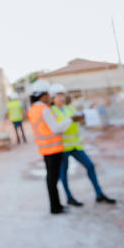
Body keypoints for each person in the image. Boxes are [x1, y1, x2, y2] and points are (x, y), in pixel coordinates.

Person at [49, 84, 116, 206]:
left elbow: (79, 121)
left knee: (90, 166)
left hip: (76, 146)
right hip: (62, 147)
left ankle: (99, 194)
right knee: (64, 173)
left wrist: (84, 116)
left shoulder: (69, 108)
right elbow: (57, 128)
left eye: (62, 95)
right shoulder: (51, 112)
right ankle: (69, 197)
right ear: (52, 98)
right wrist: (71, 119)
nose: (61, 98)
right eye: (58, 96)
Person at [27, 80, 82, 214]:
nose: (50, 97)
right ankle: (56, 207)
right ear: (44, 95)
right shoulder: (44, 109)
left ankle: (55, 206)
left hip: (45, 148)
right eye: (48, 95)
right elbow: (55, 128)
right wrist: (70, 119)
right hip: (54, 149)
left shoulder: (33, 109)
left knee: (51, 179)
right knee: (53, 180)